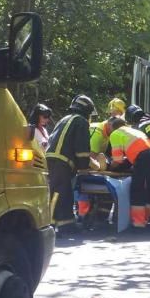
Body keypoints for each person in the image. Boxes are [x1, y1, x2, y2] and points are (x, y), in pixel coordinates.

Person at [45, 94, 95, 232]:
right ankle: (55, 224)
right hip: (62, 162)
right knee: (60, 193)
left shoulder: (65, 119)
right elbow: (82, 148)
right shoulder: (81, 122)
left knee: (61, 192)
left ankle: (62, 224)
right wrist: (84, 166)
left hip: (51, 159)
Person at [107, 117, 150, 228]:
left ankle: (138, 223)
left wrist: (108, 167)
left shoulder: (115, 134)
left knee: (137, 189)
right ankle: (145, 219)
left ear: (112, 127)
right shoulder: (134, 131)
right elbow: (133, 153)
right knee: (149, 188)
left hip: (143, 158)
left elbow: (117, 160)